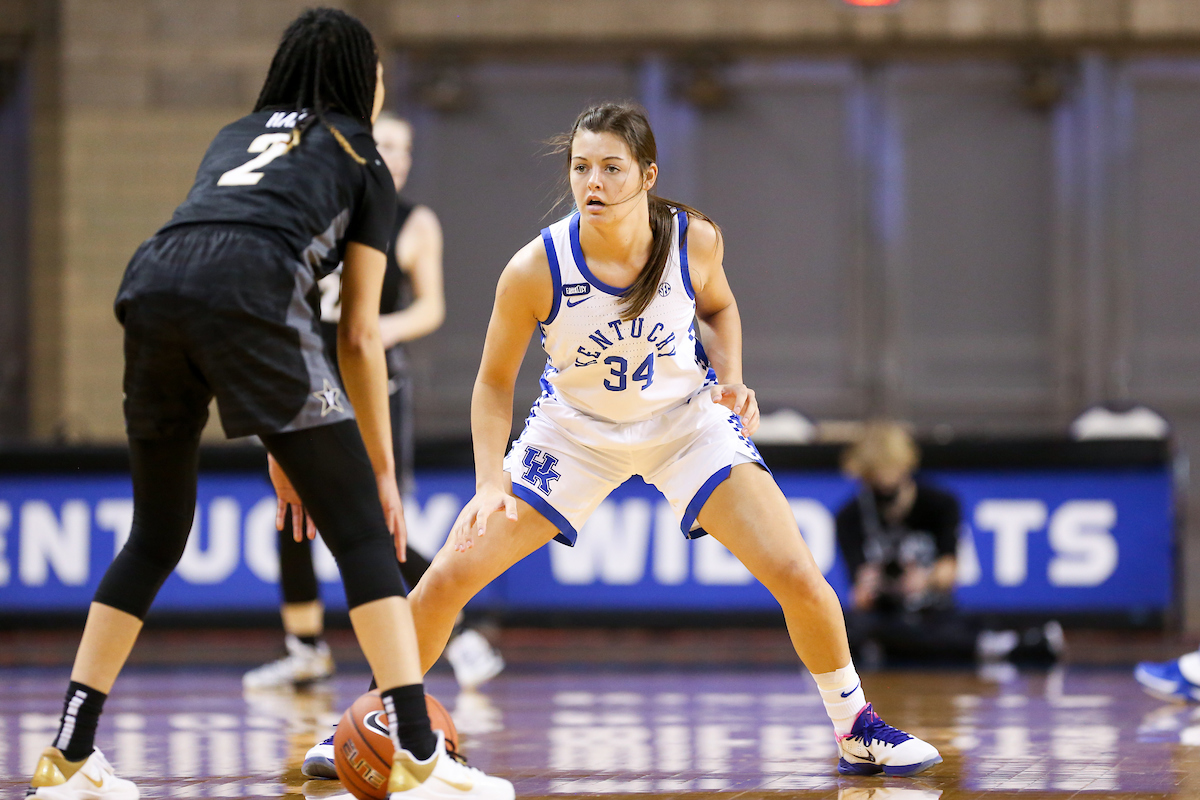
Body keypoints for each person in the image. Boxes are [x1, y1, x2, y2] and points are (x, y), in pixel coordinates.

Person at [25, 9, 511, 800]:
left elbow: (212, 275)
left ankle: (68, 755)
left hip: (152, 283)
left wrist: (288, 436)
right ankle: (421, 760)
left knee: (154, 534)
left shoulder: (233, 134)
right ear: (361, 77)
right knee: (360, 529)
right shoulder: (362, 155)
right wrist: (377, 470)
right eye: (378, 67)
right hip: (247, 293)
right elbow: (356, 336)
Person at [402, 101, 942, 777]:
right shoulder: (534, 269)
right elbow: (491, 384)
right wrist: (489, 481)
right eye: (579, 167)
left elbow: (717, 305)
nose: (592, 182)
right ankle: (376, 721)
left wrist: (734, 376)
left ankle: (855, 727)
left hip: (685, 424)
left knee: (798, 575)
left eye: (610, 167)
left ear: (648, 174)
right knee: (447, 577)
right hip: (574, 434)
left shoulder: (695, 240)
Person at [243, 111, 504, 696]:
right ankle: (305, 649)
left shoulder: (412, 221)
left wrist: (374, 329)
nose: (395, 155)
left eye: (404, 147)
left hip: (369, 381)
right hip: (306, 378)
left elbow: (430, 308)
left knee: (369, 516)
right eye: (384, 142)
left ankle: (455, 625)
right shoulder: (321, 207)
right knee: (290, 511)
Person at [836, 422, 1063, 667]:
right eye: (872, 483)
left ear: (905, 468)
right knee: (854, 630)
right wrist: (869, 585)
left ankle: (989, 643)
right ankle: (989, 646)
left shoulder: (940, 503)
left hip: (933, 613)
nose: (882, 494)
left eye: (888, 484)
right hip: (884, 618)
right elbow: (858, 597)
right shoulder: (850, 516)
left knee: (954, 626)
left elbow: (949, 572)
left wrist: (924, 579)